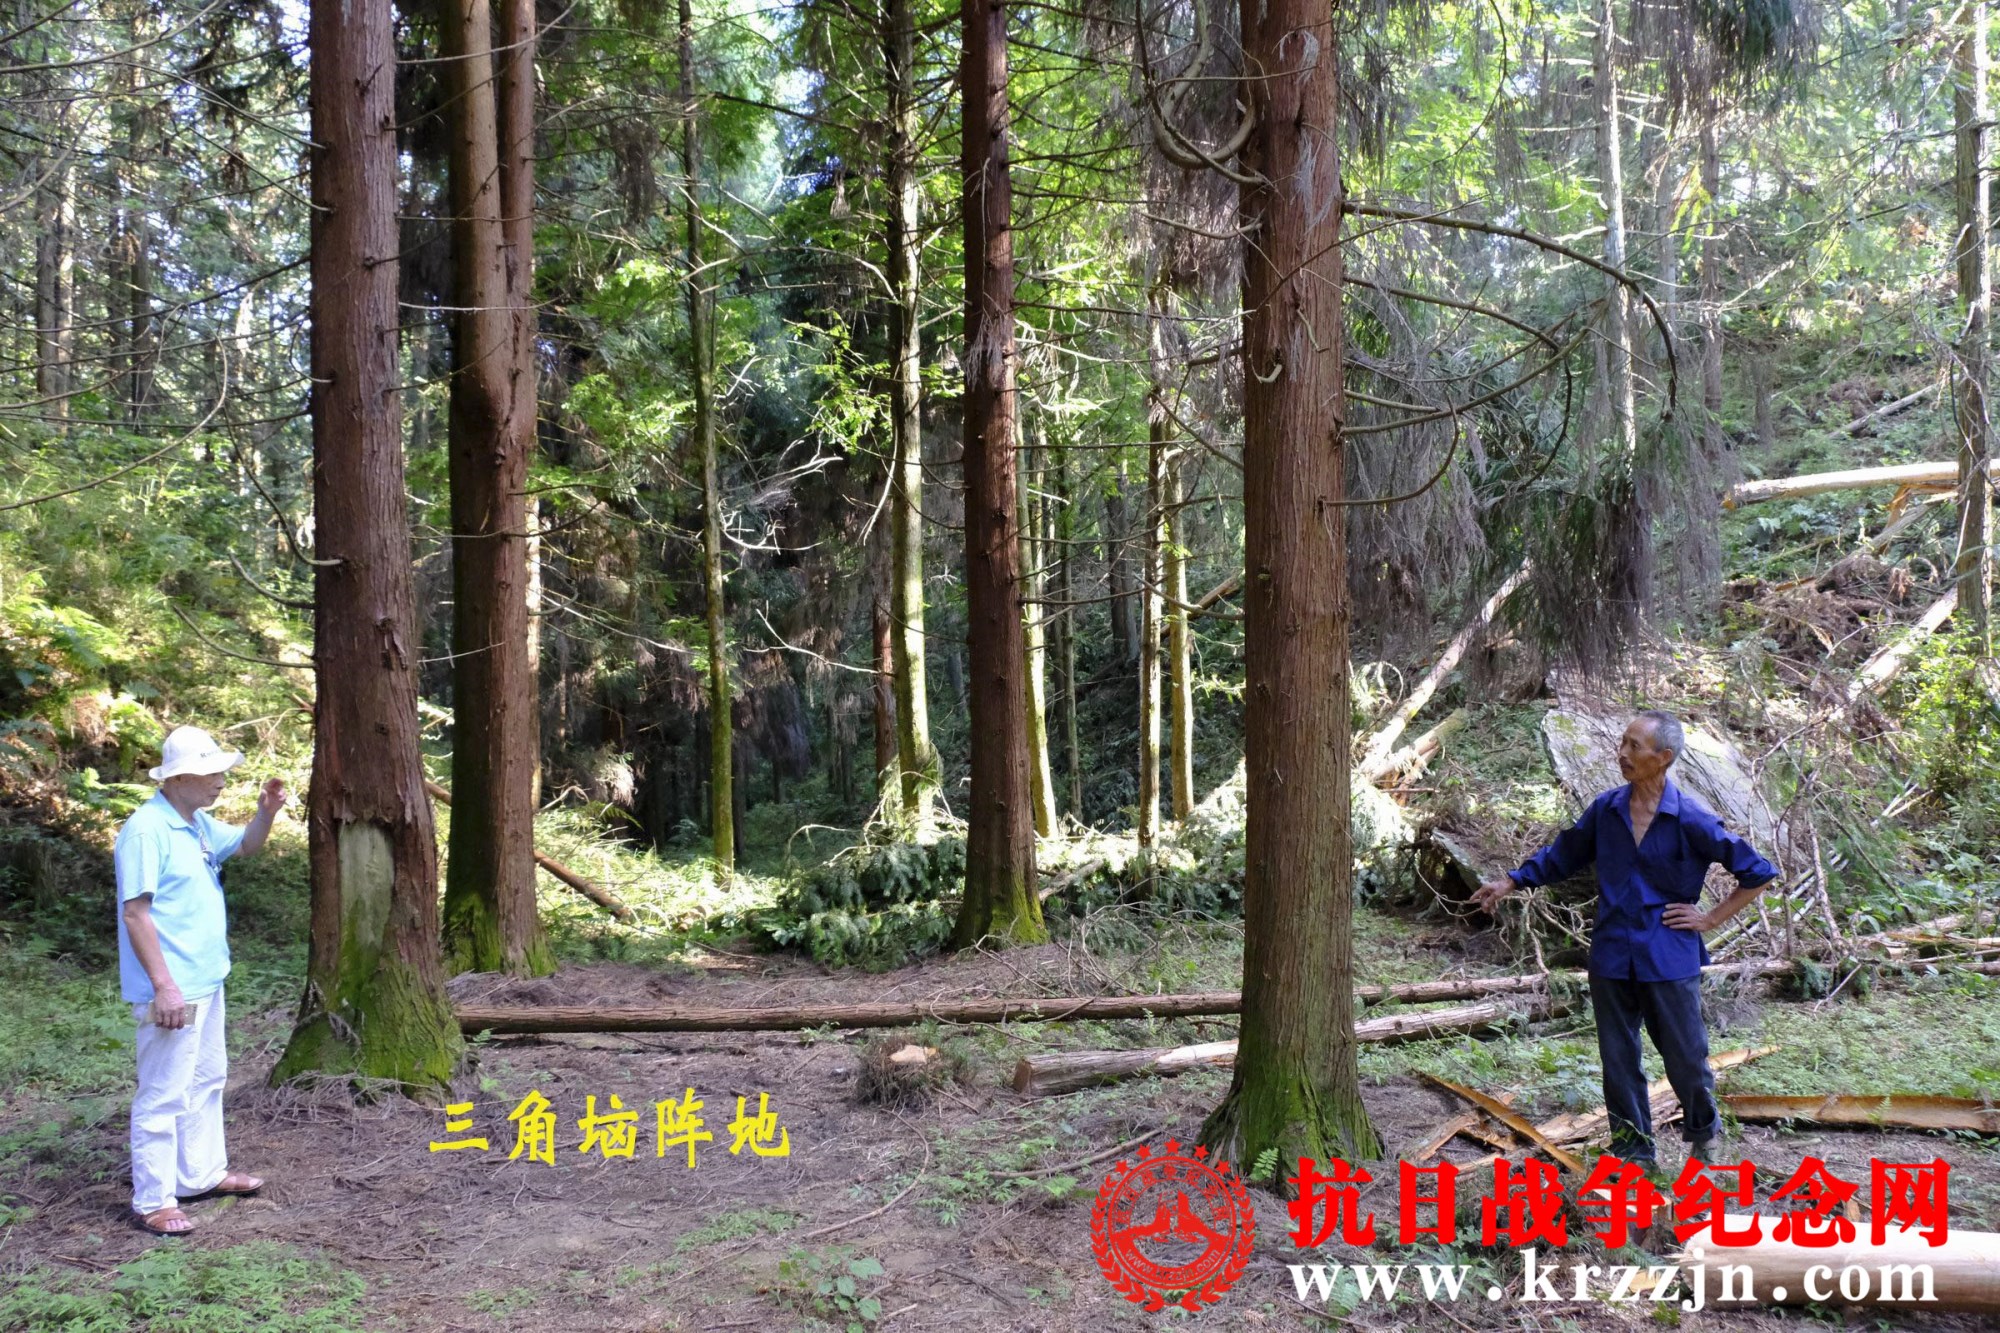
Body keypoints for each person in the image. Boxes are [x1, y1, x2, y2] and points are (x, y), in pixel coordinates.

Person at [1473, 710, 1778, 1168]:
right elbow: (1562, 855)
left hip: (1668, 954)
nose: (1622, 753)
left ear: (1664, 757)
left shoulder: (1690, 817)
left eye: (1635, 746)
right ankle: (1634, 1154)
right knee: (1618, 1060)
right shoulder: (1607, 810)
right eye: (1623, 743)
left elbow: (1757, 872)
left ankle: (1704, 1136)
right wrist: (1511, 882)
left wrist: (1710, 918)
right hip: (1612, 952)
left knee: (1685, 1057)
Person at [117, 725, 286, 1236]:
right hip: (175, 987)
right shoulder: (146, 830)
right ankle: (154, 1200)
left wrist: (266, 813)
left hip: (208, 977)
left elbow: (247, 846)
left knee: (208, 1078)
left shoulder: (196, 823)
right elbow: (135, 913)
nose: (220, 781)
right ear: (179, 777)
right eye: (211, 773)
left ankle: (201, 1174)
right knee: (164, 1091)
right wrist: (164, 986)